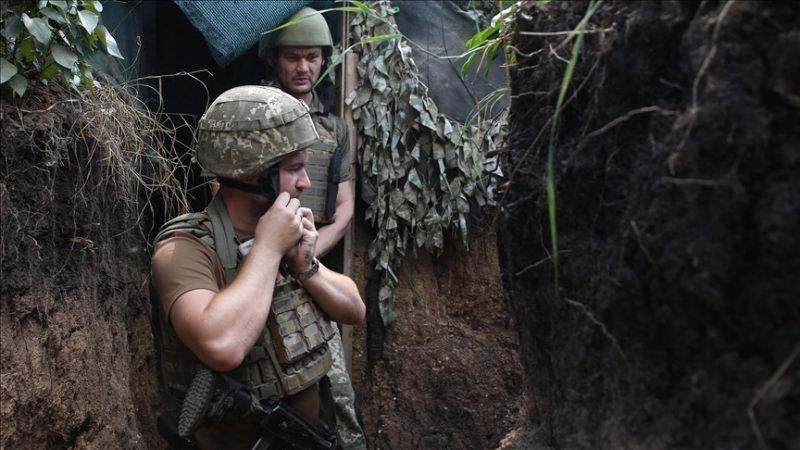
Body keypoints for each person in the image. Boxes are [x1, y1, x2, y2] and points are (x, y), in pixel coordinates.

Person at [151, 85, 365, 448]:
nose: (306, 182)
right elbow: (223, 346)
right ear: (252, 172)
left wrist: (306, 265)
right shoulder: (184, 248)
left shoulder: (286, 236)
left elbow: (354, 310)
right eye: (294, 168)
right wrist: (268, 248)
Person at [258, 7, 368, 450]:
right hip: (257, 265)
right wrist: (269, 249)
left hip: (309, 268)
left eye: (312, 57)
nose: (303, 67)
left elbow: (343, 209)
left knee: (338, 393)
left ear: (325, 60)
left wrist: (305, 251)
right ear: (275, 60)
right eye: (292, 57)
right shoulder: (253, 112)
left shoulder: (332, 128)